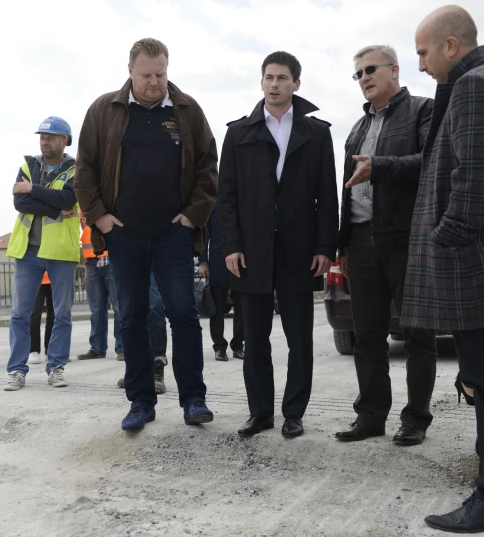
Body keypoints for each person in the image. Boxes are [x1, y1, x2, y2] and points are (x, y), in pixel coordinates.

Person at [74, 37, 218, 431]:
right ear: (130, 72)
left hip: (173, 235)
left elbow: (209, 167)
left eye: (161, 74)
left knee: (184, 314)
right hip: (124, 236)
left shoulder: (187, 111)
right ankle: (141, 401)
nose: (155, 82)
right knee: (132, 318)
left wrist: (193, 215)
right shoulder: (105, 110)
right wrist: (100, 217)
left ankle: (194, 399)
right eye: (146, 75)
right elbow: (84, 170)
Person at [218, 51, 338, 439]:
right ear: (261, 82)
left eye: (283, 78)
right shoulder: (239, 133)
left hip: (299, 250)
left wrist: (325, 246)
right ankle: (260, 413)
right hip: (251, 251)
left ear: (296, 84)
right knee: (254, 338)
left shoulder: (317, 133)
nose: (274, 84)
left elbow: (327, 195)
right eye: (269, 77)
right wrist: (231, 244)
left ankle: (293, 413)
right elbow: (227, 196)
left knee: (299, 338)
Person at [401, 5, 484, 532]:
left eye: (424, 53)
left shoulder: (472, 85)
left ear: (451, 46)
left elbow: (472, 175)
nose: (422, 65)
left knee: (480, 378)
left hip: (470, 263)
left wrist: (447, 233)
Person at [335, 45, 436, 445]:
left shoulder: (423, 111)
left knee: (417, 335)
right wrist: (342, 242)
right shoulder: (356, 130)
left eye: (370, 69)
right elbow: (346, 192)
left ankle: (415, 419)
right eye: (357, 73)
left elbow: (432, 162)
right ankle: (371, 416)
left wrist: (381, 168)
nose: (364, 78)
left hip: (406, 238)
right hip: (360, 241)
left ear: (395, 69)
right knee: (367, 335)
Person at [5, 116, 79, 390]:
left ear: (64, 141)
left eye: (50, 137)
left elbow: (69, 198)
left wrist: (34, 189)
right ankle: (16, 370)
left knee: (63, 314)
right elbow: (19, 201)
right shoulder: (29, 164)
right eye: (42, 137)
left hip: (61, 251)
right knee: (19, 314)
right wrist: (54, 208)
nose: (44, 141)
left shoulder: (75, 168)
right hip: (28, 251)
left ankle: (56, 368)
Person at [199, 203, 244, 361]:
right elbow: (205, 233)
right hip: (218, 262)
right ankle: (219, 347)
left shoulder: (245, 201)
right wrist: (203, 261)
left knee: (242, 307)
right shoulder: (214, 203)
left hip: (243, 261)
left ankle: (238, 345)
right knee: (217, 308)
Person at [77, 217, 123, 361]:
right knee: (96, 309)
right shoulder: (82, 204)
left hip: (112, 258)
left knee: (119, 307)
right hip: (91, 261)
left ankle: (122, 347)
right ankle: (97, 348)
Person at [117, 273, 168, 394]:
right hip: (130, 256)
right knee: (130, 309)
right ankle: (135, 369)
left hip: (156, 258)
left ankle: (157, 365)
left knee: (155, 306)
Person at [28, 271, 53, 364]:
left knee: (54, 315)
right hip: (36, 276)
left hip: (55, 276)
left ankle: (51, 349)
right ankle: (33, 350)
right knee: (35, 314)